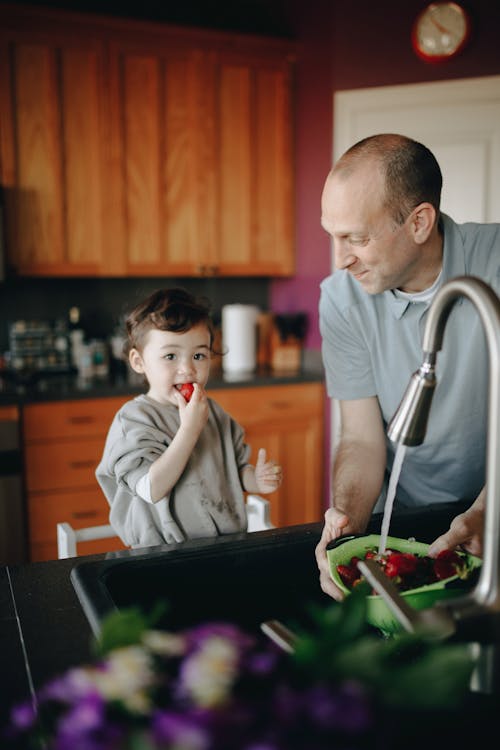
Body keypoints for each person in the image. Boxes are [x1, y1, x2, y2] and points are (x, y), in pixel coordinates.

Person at [315, 133, 500, 600]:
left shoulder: (494, 264)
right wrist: (345, 523)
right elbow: (360, 438)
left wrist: (487, 509)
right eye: (332, 237)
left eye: (356, 238)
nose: (341, 260)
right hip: (403, 517)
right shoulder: (340, 300)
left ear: (419, 221)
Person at [96, 288, 282, 549]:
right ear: (139, 362)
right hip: (159, 556)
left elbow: (236, 472)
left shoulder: (214, 414)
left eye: (199, 355)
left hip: (223, 548)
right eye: (170, 356)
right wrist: (190, 430)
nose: (188, 369)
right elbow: (151, 488)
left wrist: (257, 479)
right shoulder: (133, 421)